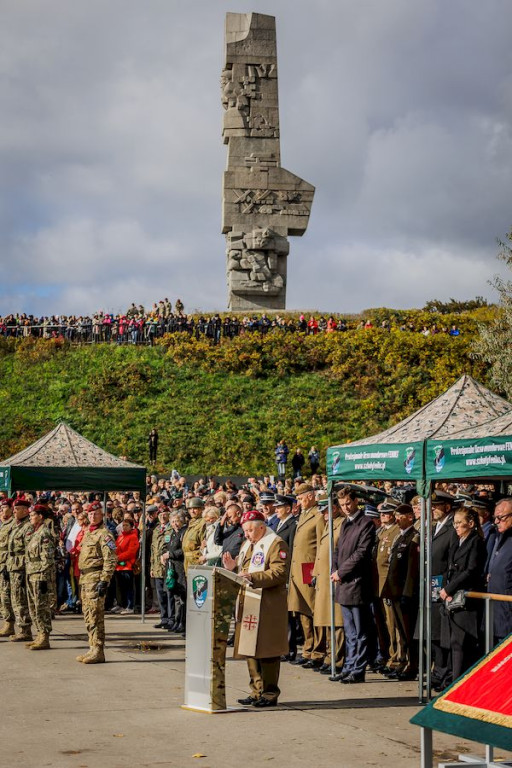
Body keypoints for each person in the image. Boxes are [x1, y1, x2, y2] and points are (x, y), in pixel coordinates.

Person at [223, 510, 289, 707]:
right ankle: (256, 690)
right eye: (245, 531)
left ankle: (269, 693)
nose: (247, 534)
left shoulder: (275, 543)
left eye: (250, 530)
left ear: (262, 527)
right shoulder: (248, 544)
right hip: (249, 602)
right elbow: (245, 570)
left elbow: (280, 573)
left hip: (268, 605)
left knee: (267, 650)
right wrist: (233, 567)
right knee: (249, 648)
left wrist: (253, 578)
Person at [331, 488, 375, 683]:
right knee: (349, 631)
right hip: (344, 583)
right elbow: (338, 549)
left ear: (356, 501)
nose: (346, 508)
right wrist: (335, 569)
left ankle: (358, 669)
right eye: (342, 505)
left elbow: (361, 553)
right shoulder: (345, 523)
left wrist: (341, 571)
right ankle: (349, 666)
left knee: (360, 631)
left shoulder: (365, 523)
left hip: (357, 583)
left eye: (348, 503)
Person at [440, 507, 487, 683]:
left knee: (461, 644)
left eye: (460, 523)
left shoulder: (476, 541)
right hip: (454, 598)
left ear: (471, 523)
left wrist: (450, 589)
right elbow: (450, 568)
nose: (456, 526)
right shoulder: (458, 541)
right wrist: (446, 589)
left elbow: (471, 570)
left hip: (467, 599)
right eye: (454, 523)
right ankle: (453, 680)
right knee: (454, 643)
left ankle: (459, 682)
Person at [77, 501, 118, 664]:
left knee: (95, 614)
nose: (93, 516)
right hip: (85, 578)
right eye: (91, 514)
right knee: (88, 614)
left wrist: (104, 580)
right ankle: (92, 646)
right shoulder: (88, 532)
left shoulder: (104, 534)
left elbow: (111, 558)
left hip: (95, 578)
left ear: (102, 515)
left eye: (96, 513)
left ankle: (98, 650)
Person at [288, 483, 324, 667]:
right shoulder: (303, 515)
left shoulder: (318, 516)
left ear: (310, 496)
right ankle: (308, 649)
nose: (299, 502)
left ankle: (318, 651)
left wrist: (317, 570)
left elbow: (320, 544)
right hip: (298, 569)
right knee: (302, 611)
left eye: (301, 499)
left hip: (309, 569)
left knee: (314, 611)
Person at [383, 504, 420, 682]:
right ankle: (403, 661)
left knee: (408, 631)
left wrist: (407, 593)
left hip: (405, 593)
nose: (397, 519)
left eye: (401, 516)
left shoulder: (414, 537)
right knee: (401, 632)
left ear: (410, 517)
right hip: (395, 592)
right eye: (396, 516)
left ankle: (413, 665)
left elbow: (412, 570)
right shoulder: (400, 537)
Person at [313, 495, 344, 675]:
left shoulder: (341, 523)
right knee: (326, 620)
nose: (323, 513)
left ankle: (337, 658)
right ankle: (329, 655)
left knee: (336, 621)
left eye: (326, 509)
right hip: (323, 578)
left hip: (333, 578)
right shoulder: (327, 523)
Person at [429, 491, 457, 690]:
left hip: (443, 585)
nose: (432, 508)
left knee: (442, 632)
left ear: (447, 507)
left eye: (436, 505)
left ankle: (444, 673)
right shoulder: (434, 527)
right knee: (433, 632)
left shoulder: (451, 528)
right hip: (431, 584)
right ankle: (437, 671)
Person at [25, 502, 55, 650]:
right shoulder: (34, 532)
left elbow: (47, 558)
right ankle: (39, 634)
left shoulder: (44, 534)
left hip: (40, 575)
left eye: (32, 515)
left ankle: (44, 636)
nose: (30, 518)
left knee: (41, 606)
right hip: (31, 573)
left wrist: (44, 576)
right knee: (33, 606)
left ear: (40, 516)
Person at [6, 498, 33, 642]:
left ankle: (25, 629)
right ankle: (20, 627)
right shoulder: (16, 526)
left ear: (25, 510)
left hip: (21, 567)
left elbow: (29, 551)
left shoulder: (28, 527)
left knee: (21, 599)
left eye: (17, 509)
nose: (14, 511)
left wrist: (24, 569)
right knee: (15, 598)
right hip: (12, 566)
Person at [486, 497, 512, 644]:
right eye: (495, 517)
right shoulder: (500, 537)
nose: (496, 521)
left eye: (501, 517)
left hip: (508, 613)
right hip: (496, 613)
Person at [151, 508, 174, 629]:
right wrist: (152, 567)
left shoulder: (172, 529)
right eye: (160, 515)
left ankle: (171, 619)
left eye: (165, 515)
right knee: (161, 595)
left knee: (169, 593)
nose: (163, 517)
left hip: (168, 567)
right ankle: (163, 618)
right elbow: (153, 549)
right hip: (157, 568)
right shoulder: (156, 530)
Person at [114, 518, 140, 614]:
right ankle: (122, 604)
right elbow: (116, 548)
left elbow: (131, 552)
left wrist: (118, 557)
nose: (124, 527)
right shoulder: (120, 537)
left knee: (129, 587)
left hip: (127, 565)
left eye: (126, 525)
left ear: (131, 527)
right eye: (123, 525)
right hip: (119, 566)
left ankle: (130, 606)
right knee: (120, 587)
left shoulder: (133, 537)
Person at [0, 499, 15, 637]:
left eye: (4, 507)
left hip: (6, 564)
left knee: (6, 595)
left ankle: (10, 623)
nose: (1, 510)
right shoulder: (2, 524)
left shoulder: (13, 524)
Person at [182, 498, 207, 575]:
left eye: (195, 508)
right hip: (188, 561)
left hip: (197, 562)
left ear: (202, 509)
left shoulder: (203, 523)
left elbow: (204, 545)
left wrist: (198, 559)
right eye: (190, 509)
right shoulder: (192, 522)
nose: (192, 511)